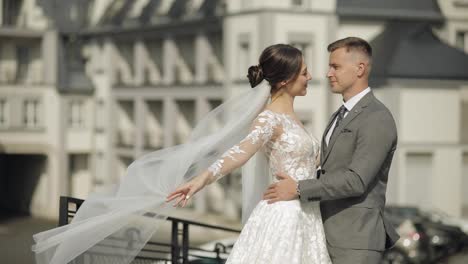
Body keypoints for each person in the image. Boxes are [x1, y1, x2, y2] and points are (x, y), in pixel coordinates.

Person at [167, 44, 331, 263]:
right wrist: (201, 180)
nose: (310, 77)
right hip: (286, 215)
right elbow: (241, 152)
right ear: (284, 81)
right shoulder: (268, 119)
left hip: (308, 215)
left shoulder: (294, 120)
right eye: (304, 72)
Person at [263, 37, 400, 263]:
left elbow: (356, 180)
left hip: (355, 242)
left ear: (360, 68)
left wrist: (298, 188)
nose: (328, 73)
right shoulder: (339, 115)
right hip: (323, 234)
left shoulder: (377, 118)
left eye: (335, 66)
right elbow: (329, 168)